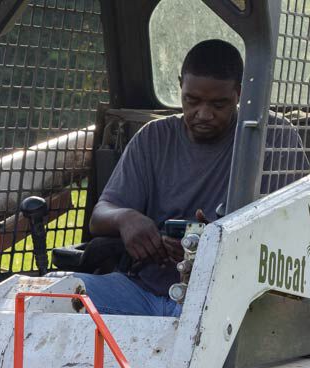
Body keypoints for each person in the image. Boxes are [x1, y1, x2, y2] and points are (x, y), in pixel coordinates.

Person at [80, 39, 309, 317]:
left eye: (218, 104)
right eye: (192, 100)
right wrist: (126, 219)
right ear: (181, 86)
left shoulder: (274, 139)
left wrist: (215, 244)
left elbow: (297, 228)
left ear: (239, 93)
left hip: (223, 303)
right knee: (58, 296)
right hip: (144, 291)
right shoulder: (153, 138)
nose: (203, 114)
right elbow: (100, 215)